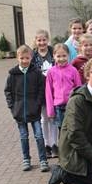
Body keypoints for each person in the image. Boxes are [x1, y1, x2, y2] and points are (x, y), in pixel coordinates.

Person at [4, 45, 50, 172]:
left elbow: (42, 89)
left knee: (39, 136)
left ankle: (43, 160)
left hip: (34, 110)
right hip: (19, 112)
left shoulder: (36, 73)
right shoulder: (13, 74)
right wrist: (12, 108)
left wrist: (38, 104)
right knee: (24, 136)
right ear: (17, 58)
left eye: (27, 58)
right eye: (22, 58)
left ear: (31, 58)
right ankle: (26, 159)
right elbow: (8, 91)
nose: (24, 60)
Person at [45, 44, 82, 133]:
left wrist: (79, 105)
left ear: (68, 55)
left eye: (64, 56)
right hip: (58, 107)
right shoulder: (51, 72)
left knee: (73, 130)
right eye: (58, 56)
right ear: (54, 56)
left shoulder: (73, 70)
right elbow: (48, 91)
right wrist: (50, 110)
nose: (61, 59)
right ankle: (63, 147)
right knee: (62, 131)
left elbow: (79, 88)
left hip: (71, 105)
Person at [32, 29, 57, 158]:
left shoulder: (54, 53)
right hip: (40, 91)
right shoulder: (33, 56)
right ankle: (46, 144)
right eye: (39, 40)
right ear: (36, 41)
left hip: (54, 90)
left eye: (44, 40)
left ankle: (54, 144)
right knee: (44, 119)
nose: (42, 42)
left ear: (48, 40)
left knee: (53, 118)